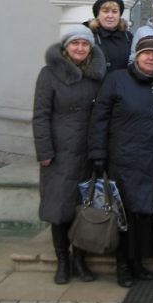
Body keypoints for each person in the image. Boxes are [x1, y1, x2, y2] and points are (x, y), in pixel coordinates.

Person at [89, 35, 153, 287]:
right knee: (124, 216)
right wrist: (98, 153)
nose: (151, 58)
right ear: (137, 56)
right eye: (146, 53)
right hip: (123, 160)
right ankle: (123, 265)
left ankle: (138, 262)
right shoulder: (117, 79)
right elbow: (99, 118)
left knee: (144, 215)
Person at [32, 25, 106, 284]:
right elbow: (41, 115)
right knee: (59, 208)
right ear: (65, 48)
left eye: (85, 44)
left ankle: (80, 260)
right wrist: (44, 151)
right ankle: (63, 261)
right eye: (75, 44)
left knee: (83, 209)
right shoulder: (49, 74)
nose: (80, 48)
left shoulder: (97, 76)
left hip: (88, 151)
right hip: (60, 153)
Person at [84, 0, 133, 72]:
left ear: (119, 15)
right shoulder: (88, 35)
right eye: (105, 11)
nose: (110, 16)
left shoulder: (128, 37)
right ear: (98, 15)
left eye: (114, 11)